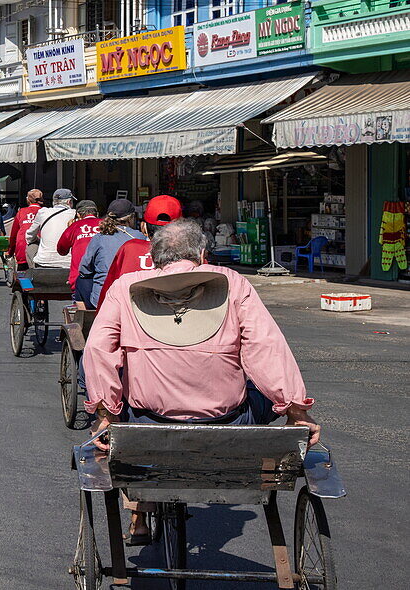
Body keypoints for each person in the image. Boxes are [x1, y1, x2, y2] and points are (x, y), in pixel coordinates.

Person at [83, 219, 320, 542]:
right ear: (203, 254)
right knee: (258, 389)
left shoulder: (125, 288)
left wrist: (105, 414)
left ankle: (140, 511)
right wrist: (295, 409)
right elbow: (265, 349)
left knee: (125, 384)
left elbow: (98, 350)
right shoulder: (232, 282)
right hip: (229, 425)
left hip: (147, 425)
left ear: (153, 257)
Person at [97, 195, 183, 307]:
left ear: (143, 227)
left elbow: (107, 296)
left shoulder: (129, 249)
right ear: (182, 228)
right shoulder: (192, 254)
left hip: (132, 320)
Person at [77, 199, 147, 309]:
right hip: (133, 297)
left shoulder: (99, 238)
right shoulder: (139, 237)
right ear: (131, 218)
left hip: (103, 298)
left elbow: (84, 269)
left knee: (80, 281)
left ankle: (86, 318)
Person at [57, 200, 102, 301]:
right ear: (96, 213)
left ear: (78, 214)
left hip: (80, 278)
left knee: (80, 310)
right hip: (103, 277)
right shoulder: (105, 225)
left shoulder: (75, 226)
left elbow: (61, 249)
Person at [25, 188, 78, 268]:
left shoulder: (43, 212)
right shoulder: (75, 214)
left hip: (43, 262)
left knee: (30, 246)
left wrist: (39, 240)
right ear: (69, 202)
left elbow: (29, 236)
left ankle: (33, 272)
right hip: (69, 263)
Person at [6, 189, 44, 271]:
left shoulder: (21, 212)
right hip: (41, 251)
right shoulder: (45, 212)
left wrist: (10, 251)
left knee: (22, 279)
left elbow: (14, 235)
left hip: (23, 249)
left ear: (28, 200)